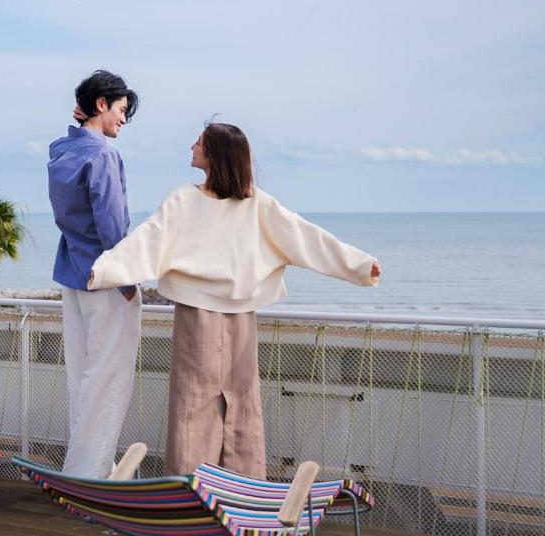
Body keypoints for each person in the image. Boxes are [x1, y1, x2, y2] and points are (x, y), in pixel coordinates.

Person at [88, 121, 380, 478]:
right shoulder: (236, 202)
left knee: (201, 405)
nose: (191, 146)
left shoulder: (238, 202)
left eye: (198, 142)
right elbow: (150, 239)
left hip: (209, 314)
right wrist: (108, 269)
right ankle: (230, 490)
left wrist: (359, 266)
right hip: (228, 314)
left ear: (215, 153)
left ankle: (203, 491)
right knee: (232, 404)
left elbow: (304, 237)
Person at [48, 69, 142, 478]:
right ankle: (90, 475)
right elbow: (113, 227)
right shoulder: (102, 155)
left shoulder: (63, 153)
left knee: (82, 378)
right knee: (107, 380)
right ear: (101, 104)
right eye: (121, 110)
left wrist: (81, 123)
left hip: (73, 275)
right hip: (105, 279)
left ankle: (86, 468)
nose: (123, 119)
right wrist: (128, 280)